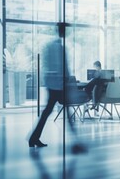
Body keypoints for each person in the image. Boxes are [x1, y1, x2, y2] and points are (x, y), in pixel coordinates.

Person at [28, 22, 86, 153]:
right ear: (62, 31)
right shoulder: (59, 47)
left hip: (53, 84)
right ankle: (75, 143)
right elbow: (63, 67)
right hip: (59, 85)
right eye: (65, 30)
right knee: (66, 113)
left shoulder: (50, 46)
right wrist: (69, 80)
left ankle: (33, 138)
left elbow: (48, 66)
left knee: (49, 112)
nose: (67, 32)